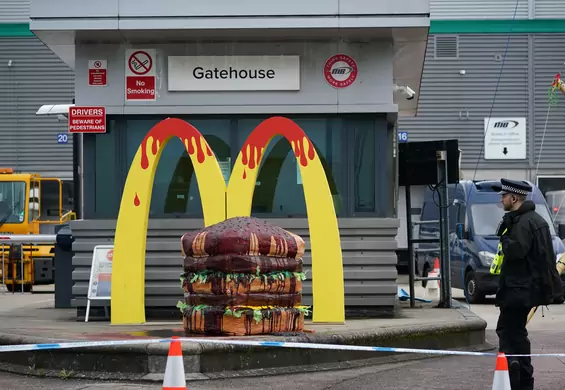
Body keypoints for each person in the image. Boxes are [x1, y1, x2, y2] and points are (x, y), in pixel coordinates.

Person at [491, 178, 563, 390]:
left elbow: (518, 251)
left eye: (504, 196)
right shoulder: (535, 220)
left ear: (514, 198)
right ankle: (519, 372)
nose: (501, 199)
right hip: (525, 289)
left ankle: (517, 374)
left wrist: (505, 240)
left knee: (508, 330)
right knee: (514, 331)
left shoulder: (522, 223)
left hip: (518, 290)